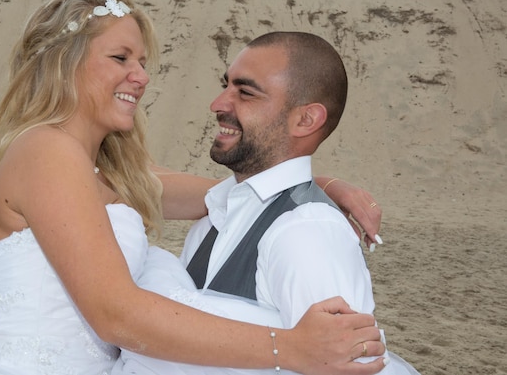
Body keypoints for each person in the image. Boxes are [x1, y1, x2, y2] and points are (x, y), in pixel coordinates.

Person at [0, 0, 387, 375]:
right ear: (63, 62)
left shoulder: (108, 174)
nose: (142, 76)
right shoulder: (45, 152)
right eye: (120, 58)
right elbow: (116, 314)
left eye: (142, 62)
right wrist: (290, 349)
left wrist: (321, 183)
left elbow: (233, 195)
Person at [113, 32, 420, 374]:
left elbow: (350, 365)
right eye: (226, 85)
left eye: (245, 93)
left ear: (306, 120)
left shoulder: (307, 234)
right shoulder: (216, 212)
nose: (217, 103)